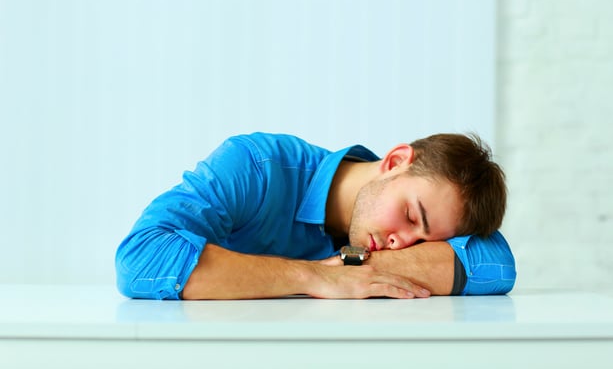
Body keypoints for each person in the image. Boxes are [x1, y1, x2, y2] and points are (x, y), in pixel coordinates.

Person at [115, 132, 516, 300]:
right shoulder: (257, 166)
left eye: (423, 242)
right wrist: (318, 276)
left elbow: (496, 263)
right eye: (411, 215)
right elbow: (140, 260)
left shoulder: (389, 238)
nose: (402, 243)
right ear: (395, 161)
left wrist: (357, 264)